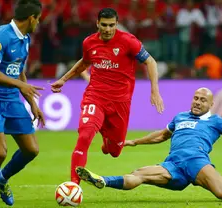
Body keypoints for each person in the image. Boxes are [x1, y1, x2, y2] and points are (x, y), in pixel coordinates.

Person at [75, 87, 222, 201]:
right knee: (139, 173)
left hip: (197, 162)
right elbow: (160, 136)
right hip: (173, 165)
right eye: (195, 98)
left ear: (211, 104)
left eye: (202, 100)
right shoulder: (180, 117)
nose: (197, 102)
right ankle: (103, 180)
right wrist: (133, 142)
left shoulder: (216, 121)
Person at [50, 8, 164, 184]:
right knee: (85, 136)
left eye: (111, 25)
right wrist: (63, 79)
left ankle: (107, 139)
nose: (107, 29)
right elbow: (85, 62)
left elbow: (150, 61)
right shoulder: (89, 43)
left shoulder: (128, 41)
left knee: (114, 151)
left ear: (117, 24)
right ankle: (73, 185)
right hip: (95, 96)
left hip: (120, 103)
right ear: (97, 23)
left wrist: (154, 90)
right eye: (104, 25)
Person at [0, 0, 45, 207]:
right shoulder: (2, 35)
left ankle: (2, 179)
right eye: (38, 20)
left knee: (31, 150)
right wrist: (20, 86)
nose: (38, 24)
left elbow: (18, 70)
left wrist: (32, 103)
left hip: (10, 97)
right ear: (31, 18)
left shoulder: (25, 39)